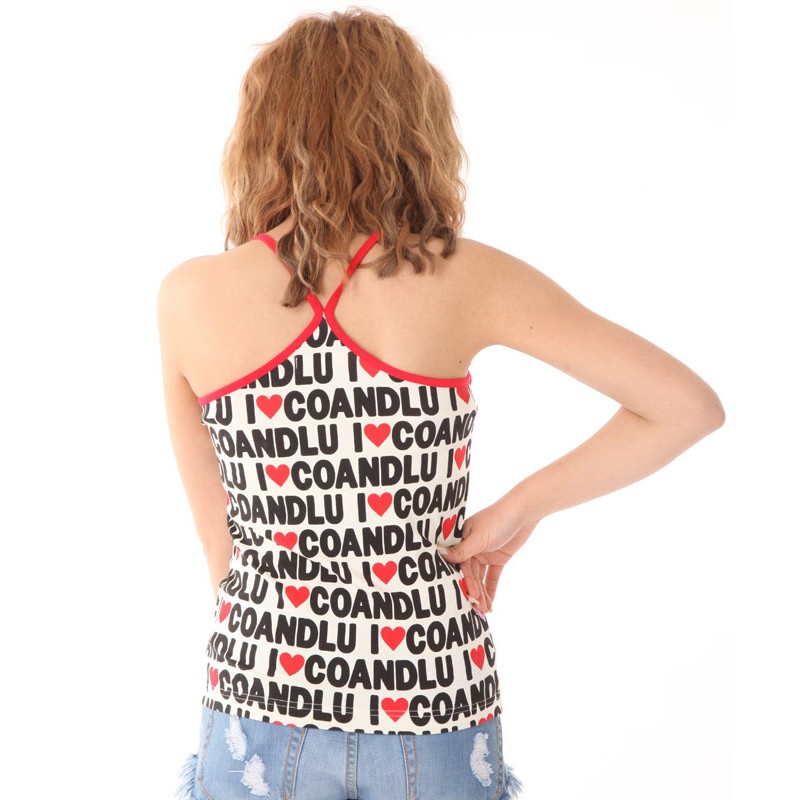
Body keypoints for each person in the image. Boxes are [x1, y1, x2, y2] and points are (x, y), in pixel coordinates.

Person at [157, 8, 725, 799]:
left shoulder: (191, 296)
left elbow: (223, 554)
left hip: (261, 697)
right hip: (435, 696)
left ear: (262, 135)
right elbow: (685, 406)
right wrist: (516, 511)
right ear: (413, 125)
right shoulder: (464, 276)